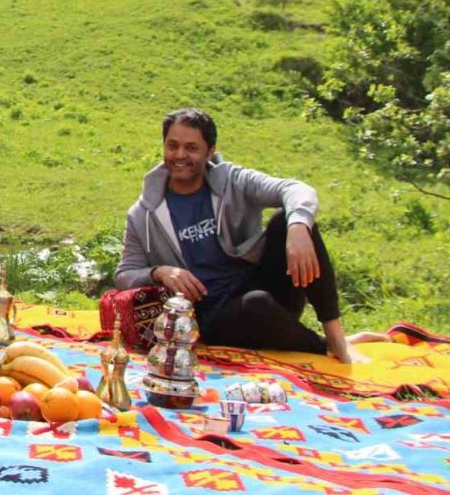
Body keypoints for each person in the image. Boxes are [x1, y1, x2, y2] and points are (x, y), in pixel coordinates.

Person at [115, 108, 382, 362]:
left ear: (210, 151)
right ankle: (323, 346)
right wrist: (160, 271)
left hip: (259, 285)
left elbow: (296, 189)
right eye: (172, 146)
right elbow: (125, 274)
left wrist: (298, 226)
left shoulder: (231, 180)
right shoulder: (144, 213)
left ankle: (337, 337)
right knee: (256, 305)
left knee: (286, 221)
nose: (180, 155)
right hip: (215, 315)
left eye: (191, 148)